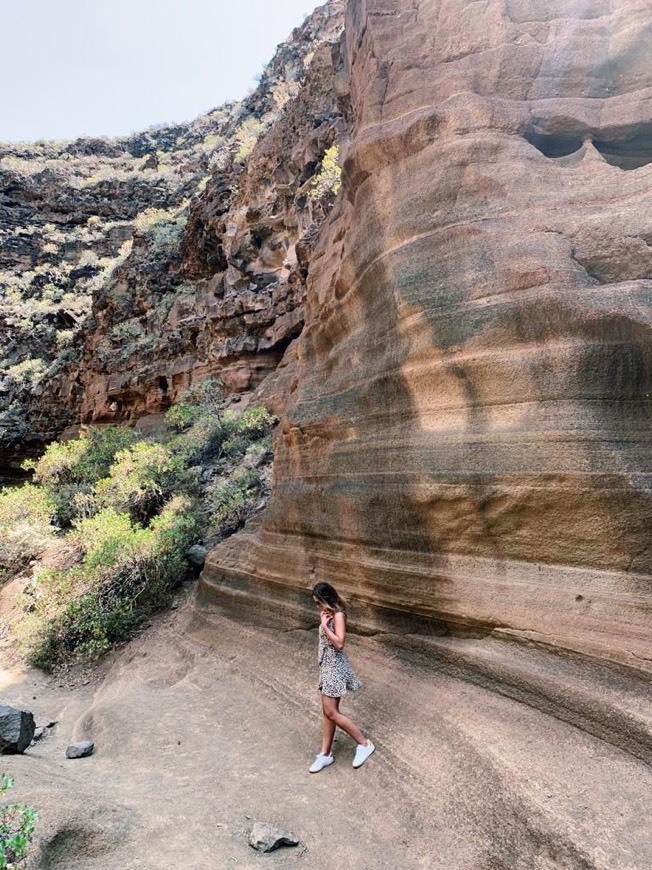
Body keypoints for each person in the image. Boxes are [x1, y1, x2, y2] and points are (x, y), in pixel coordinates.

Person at [309, 581, 375, 773]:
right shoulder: (328, 613)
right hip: (326, 666)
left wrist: (324, 625)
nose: (318, 607)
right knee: (328, 711)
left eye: (318, 602)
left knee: (331, 712)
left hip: (334, 668)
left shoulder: (338, 615)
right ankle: (325, 754)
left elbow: (339, 643)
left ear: (326, 599)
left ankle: (364, 744)